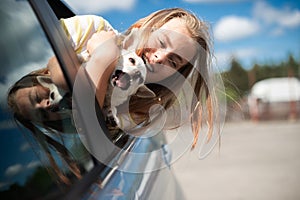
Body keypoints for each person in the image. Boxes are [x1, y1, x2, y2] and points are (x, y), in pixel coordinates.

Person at [7, 8, 221, 183]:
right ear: (142, 28)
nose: (159, 57)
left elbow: (88, 128)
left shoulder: (141, 109)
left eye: (173, 62)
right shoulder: (91, 28)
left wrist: (104, 55)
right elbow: (53, 63)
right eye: (162, 41)